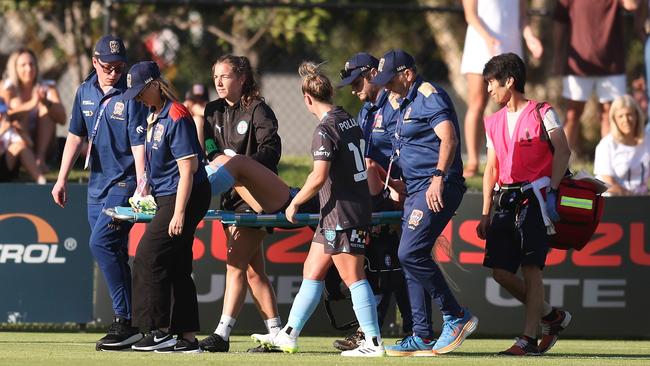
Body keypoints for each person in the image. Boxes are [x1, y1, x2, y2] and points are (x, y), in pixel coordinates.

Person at [250, 61, 385, 357]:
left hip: (342, 213)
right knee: (311, 271)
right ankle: (289, 334)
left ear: (307, 99)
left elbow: (319, 176)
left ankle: (373, 342)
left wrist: (295, 202)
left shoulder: (325, 129)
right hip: (339, 212)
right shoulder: (348, 119)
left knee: (354, 277)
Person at [371, 49, 477, 356]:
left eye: (390, 79)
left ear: (407, 74)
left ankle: (456, 316)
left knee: (410, 252)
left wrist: (437, 177)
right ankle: (420, 334)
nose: (386, 85)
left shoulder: (429, 95)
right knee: (409, 261)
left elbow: (449, 138)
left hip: (437, 186)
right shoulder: (400, 102)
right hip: (415, 188)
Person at [51, 35, 147, 351]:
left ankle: (124, 320)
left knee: (100, 243)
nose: (114, 72)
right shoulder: (84, 91)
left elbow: (137, 144)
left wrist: (143, 182)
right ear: (95, 62)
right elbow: (75, 136)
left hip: (124, 184)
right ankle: (131, 323)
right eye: (108, 66)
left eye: (120, 66)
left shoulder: (130, 94)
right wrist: (62, 178)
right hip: (96, 185)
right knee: (115, 252)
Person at [476, 53, 572, 356]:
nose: (489, 89)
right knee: (500, 272)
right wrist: (485, 212)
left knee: (532, 268)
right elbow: (491, 168)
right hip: (505, 200)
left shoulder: (544, 111)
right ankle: (551, 316)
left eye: (492, 82)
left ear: (509, 81)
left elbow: (564, 150)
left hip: (536, 199)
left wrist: (552, 191)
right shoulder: (491, 122)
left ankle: (528, 339)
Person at [119, 61, 210, 353]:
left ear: (156, 84)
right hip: (169, 195)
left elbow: (188, 169)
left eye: (140, 91)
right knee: (177, 264)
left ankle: (157, 331)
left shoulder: (177, 115)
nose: (137, 97)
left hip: (185, 194)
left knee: (148, 256)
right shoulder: (153, 114)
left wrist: (180, 212)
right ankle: (187, 337)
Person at [199, 54, 283, 353]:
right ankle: (276, 334)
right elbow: (209, 150)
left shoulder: (259, 110)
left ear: (242, 78)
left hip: (256, 198)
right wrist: (224, 164)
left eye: (225, 76)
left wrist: (243, 167)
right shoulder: (211, 111)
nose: (219, 82)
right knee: (252, 270)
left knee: (234, 264)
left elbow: (271, 151)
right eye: (215, 76)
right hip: (229, 198)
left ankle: (221, 335)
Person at [333, 52, 413, 350]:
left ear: (370, 74)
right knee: (379, 265)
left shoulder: (394, 104)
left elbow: (401, 153)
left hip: (397, 197)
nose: (354, 89)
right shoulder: (366, 110)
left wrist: (396, 190)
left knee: (401, 265)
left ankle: (415, 329)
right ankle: (370, 332)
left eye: (357, 82)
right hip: (372, 199)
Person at [460, 0, 543, 177]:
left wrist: (530, 38)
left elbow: (522, 18)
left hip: (510, 49)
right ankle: (473, 162)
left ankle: (506, 159)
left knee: (509, 106)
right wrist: (488, 38)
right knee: (477, 103)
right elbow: (470, 15)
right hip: (481, 47)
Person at [553, 0, 640, 156]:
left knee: (610, 114)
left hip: (611, 63)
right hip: (578, 65)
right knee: (573, 114)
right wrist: (558, 57)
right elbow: (559, 22)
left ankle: (608, 166)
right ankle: (560, 167)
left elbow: (632, 5)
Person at [3, 48, 67, 172]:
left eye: (31, 64)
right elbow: (4, 117)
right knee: (17, 105)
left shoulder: (48, 86)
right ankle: (26, 159)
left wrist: (46, 102)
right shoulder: (7, 88)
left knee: (45, 107)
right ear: (14, 68)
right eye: (23, 65)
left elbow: (63, 119)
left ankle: (40, 159)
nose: (28, 69)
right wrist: (31, 104)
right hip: (20, 144)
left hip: (46, 148)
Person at [594, 94, 650, 195]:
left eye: (629, 114)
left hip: (642, 200)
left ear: (637, 116)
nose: (626, 120)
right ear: (614, 119)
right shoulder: (606, 145)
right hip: (614, 200)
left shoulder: (647, 140)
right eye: (620, 116)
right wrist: (629, 195)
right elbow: (606, 182)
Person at [0, 97, 46, 183]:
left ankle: (41, 181)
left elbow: (30, 145)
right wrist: (2, 131)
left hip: (4, 167)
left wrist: (21, 132)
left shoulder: (10, 128)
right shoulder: (3, 128)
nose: (1, 115)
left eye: (3, 112)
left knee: (20, 146)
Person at [183, 83, 210, 152]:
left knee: (198, 120)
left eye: (201, 99)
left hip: (204, 144)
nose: (198, 101)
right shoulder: (187, 106)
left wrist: (199, 110)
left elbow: (210, 113)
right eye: (195, 99)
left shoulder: (205, 107)